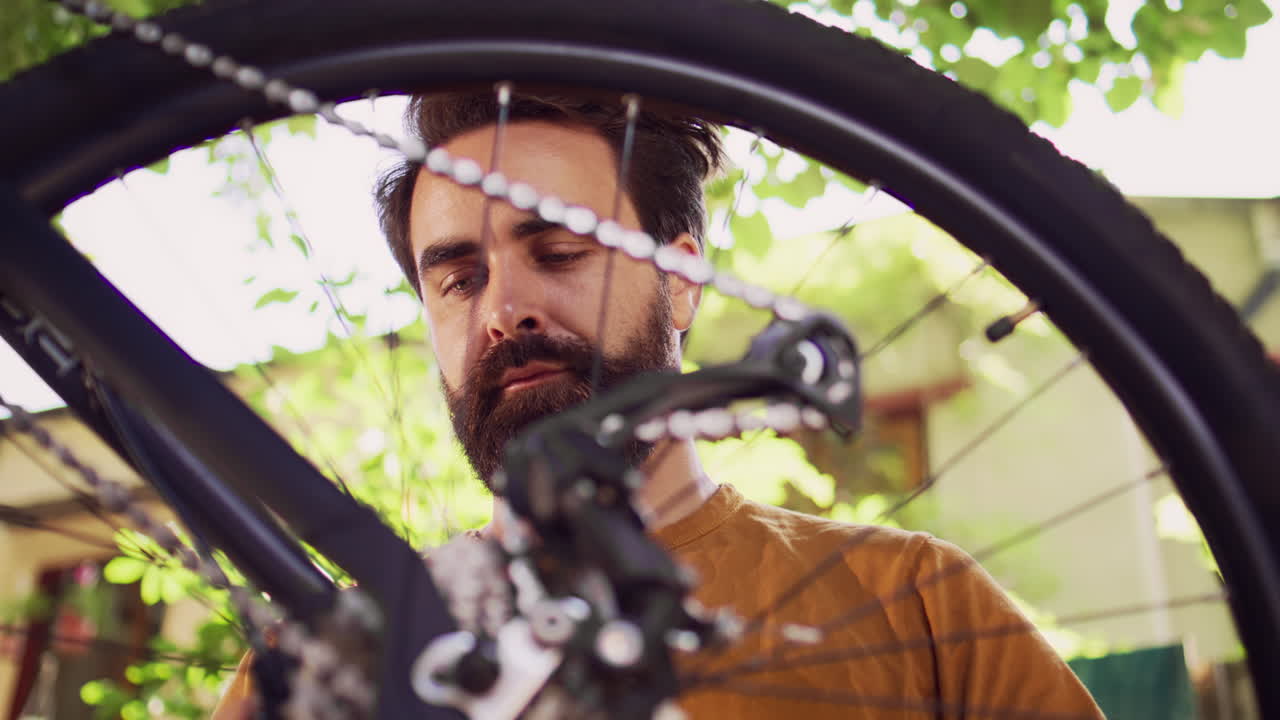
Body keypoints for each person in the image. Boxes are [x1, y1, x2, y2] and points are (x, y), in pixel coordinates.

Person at [214, 91, 1103, 719]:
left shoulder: (917, 602)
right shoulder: (331, 658)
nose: (500, 311)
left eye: (558, 250)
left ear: (681, 285)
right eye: (457, 280)